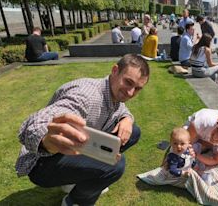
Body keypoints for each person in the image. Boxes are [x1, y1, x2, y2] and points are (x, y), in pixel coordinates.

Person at [15, 54, 150, 206]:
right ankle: (75, 201)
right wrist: (46, 140)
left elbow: (121, 108)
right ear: (114, 71)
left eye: (137, 88)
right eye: (128, 82)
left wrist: (128, 119)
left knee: (134, 131)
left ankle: (78, 178)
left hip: (73, 149)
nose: (131, 93)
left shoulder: (112, 92)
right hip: (41, 164)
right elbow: (39, 122)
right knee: (116, 165)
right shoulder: (85, 95)